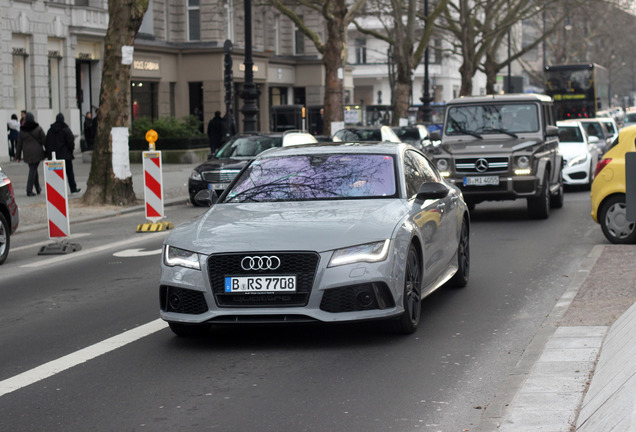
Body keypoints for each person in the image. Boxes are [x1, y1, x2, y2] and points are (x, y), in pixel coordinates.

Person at [45, 113, 80, 194]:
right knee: (69, 173)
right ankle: (73, 188)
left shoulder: (50, 130)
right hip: (65, 155)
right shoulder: (66, 129)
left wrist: (49, 154)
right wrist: (70, 151)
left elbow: (47, 143)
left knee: (55, 175)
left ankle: (56, 190)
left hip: (54, 156)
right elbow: (71, 142)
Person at [15, 112, 46, 196]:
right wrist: (48, 152)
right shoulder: (38, 128)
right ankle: (29, 190)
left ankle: (38, 188)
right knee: (33, 170)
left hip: (27, 154)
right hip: (37, 152)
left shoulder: (22, 130)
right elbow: (44, 140)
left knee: (33, 169)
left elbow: (19, 145)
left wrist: (17, 156)